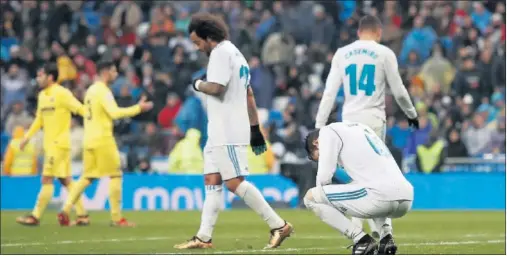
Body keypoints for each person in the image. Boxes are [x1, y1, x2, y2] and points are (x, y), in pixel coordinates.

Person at [174, 13, 293, 250]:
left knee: (234, 183)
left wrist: (197, 84)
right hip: (219, 129)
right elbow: (248, 95)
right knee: (212, 180)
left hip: (226, 129)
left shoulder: (219, 53)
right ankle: (204, 237)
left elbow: (217, 88)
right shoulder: (238, 55)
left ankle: (278, 224)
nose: (197, 48)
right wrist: (255, 129)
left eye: (198, 42)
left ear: (209, 37)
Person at [314, 15, 419, 242]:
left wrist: (319, 126)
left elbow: (330, 92)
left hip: (349, 122)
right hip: (373, 122)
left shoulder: (342, 53)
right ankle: (386, 234)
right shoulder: (384, 53)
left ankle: (359, 238)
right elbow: (399, 91)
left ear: (358, 32)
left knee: (357, 180)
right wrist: (411, 114)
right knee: (379, 178)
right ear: (378, 33)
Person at [57, 60, 153, 227]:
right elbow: (114, 113)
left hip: (89, 139)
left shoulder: (90, 91)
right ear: (105, 72)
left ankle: (65, 208)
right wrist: (138, 108)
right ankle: (117, 218)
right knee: (115, 175)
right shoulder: (103, 91)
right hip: (103, 139)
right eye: (114, 71)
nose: (116, 75)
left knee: (87, 177)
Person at [304, 121, 414, 255]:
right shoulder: (364, 128)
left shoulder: (327, 132)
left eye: (317, 157)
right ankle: (386, 238)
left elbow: (324, 178)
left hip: (380, 196)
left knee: (311, 198)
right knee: (368, 184)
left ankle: (361, 239)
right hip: (406, 195)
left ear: (316, 143)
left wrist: (331, 208)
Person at [15, 64, 89, 226]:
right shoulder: (42, 95)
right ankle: (83, 215)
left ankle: (35, 216)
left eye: (41, 75)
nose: (38, 78)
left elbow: (79, 108)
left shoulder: (62, 93)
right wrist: (27, 137)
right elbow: (39, 119)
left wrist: (94, 116)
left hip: (59, 144)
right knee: (66, 181)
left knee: (46, 179)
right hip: (52, 145)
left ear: (50, 77)